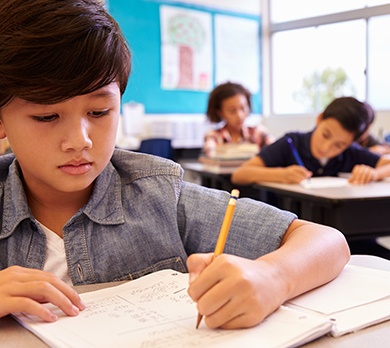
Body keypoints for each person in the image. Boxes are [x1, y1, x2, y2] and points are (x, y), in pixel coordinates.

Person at [0, 0, 349, 331]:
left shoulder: (159, 194)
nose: (80, 140)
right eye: (47, 115)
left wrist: (273, 278)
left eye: (99, 112)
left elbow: (327, 240)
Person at [232, 96, 390, 186]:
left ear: (351, 143)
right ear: (319, 119)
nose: (327, 147)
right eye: (326, 135)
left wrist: (374, 173)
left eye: (339, 145)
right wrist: (281, 174)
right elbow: (240, 174)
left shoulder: (351, 153)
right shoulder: (292, 142)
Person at [203, 82, 274, 157]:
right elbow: (210, 155)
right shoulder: (214, 136)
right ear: (220, 112)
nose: (239, 116)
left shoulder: (258, 132)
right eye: (232, 111)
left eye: (243, 108)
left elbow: (276, 150)